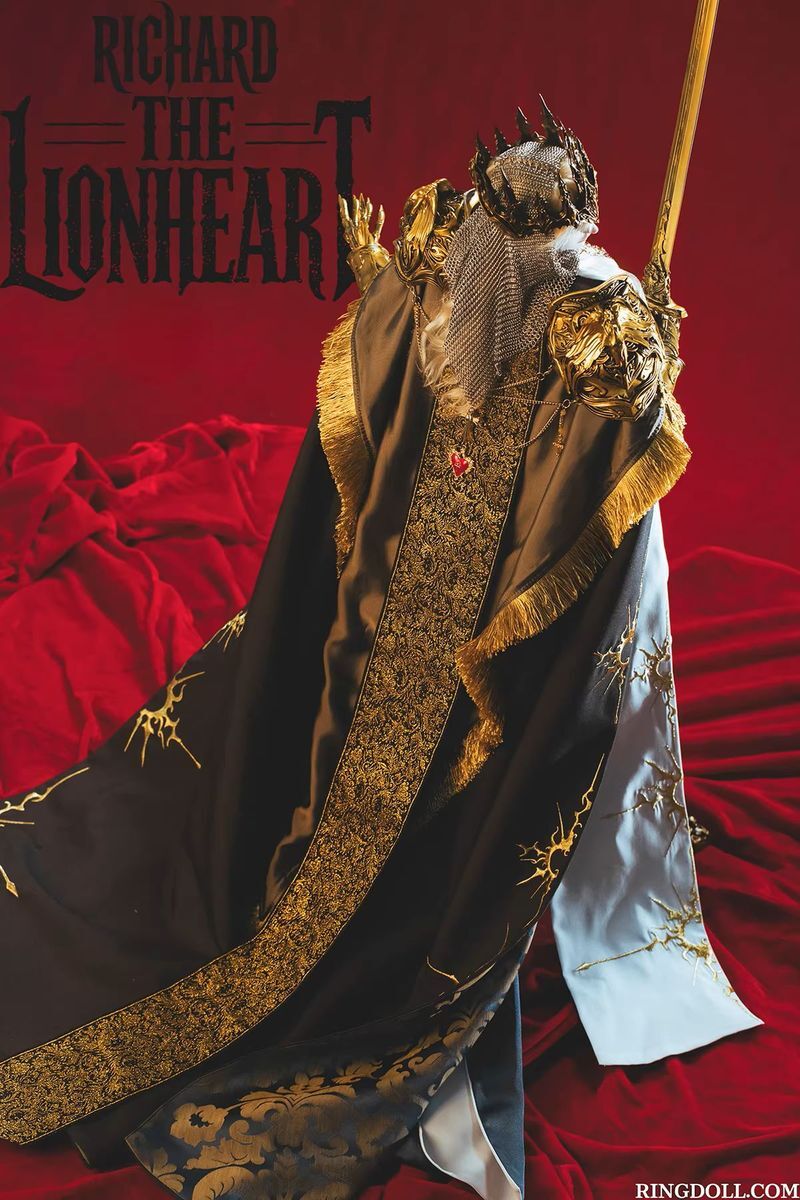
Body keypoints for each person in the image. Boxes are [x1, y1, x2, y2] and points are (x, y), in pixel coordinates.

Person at [0, 99, 760, 1200]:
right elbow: (389, 426)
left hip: (479, 649)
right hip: (381, 630)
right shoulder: (476, 289)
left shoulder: (553, 310)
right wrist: (635, 374)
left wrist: (642, 384)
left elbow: (602, 497)